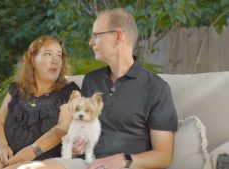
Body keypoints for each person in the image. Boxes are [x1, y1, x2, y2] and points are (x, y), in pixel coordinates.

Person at [17, 8, 178, 169]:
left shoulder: (156, 88)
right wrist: (76, 147)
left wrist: (125, 160)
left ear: (118, 37)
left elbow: (163, 156)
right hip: (86, 163)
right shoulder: (91, 80)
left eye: (96, 35)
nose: (91, 42)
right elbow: (81, 130)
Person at [0, 35, 80, 169]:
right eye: (48, 54)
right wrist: (3, 147)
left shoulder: (69, 91)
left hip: (43, 158)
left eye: (59, 56)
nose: (55, 61)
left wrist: (32, 151)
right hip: (6, 154)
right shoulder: (17, 89)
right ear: (32, 60)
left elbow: (62, 129)